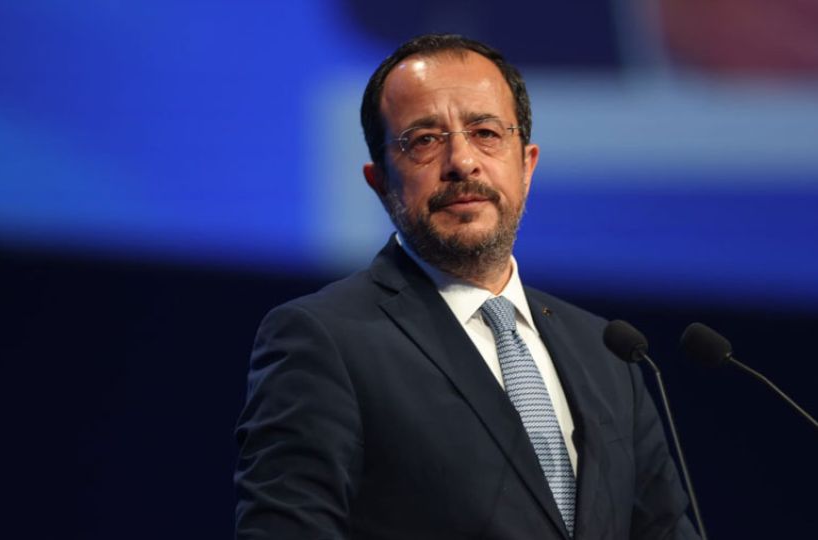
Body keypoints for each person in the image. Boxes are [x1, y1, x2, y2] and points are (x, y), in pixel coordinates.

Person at [234, 34, 700, 539]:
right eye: (424, 140)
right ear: (381, 182)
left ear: (526, 165)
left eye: (486, 132)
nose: (462, 161)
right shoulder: (325, 340)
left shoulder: (607, 353)